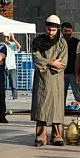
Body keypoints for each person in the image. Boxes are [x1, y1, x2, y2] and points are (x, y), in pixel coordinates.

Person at [31, 15, 68, 147]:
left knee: (57, 108)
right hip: (42, 79)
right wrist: (51, 63)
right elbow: (36, 58)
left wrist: (50, 65)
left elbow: (62, 63)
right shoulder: (38, 41)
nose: (50, 32)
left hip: (56, 79)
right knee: (42, 107)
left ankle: (57, 136)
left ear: (57, 30)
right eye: (48, 29)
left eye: (53, 30)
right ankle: (41, 137)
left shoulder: (62, 43)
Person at [62, 22, 80, 105]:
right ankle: (60, 108)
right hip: (62, 72)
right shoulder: (59, 42)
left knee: (77, 94)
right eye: (65, 31)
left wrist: (77, 72)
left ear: (72, 31)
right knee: (61, 94)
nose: (67, 33)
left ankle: (78, 106)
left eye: (69, 31)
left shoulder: (77, 42)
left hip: (74, 72)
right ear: (62, 31)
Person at [3, 32, 21, 100]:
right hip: (3, 67)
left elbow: (19, 47)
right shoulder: (2, 45)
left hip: (11, 66)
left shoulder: (12, 44)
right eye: (5, 37)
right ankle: (2, 97)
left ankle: (15, 98)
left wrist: (14, 39)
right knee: (2, 84)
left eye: (7, 37)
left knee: (13, 84)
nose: (6, 38)